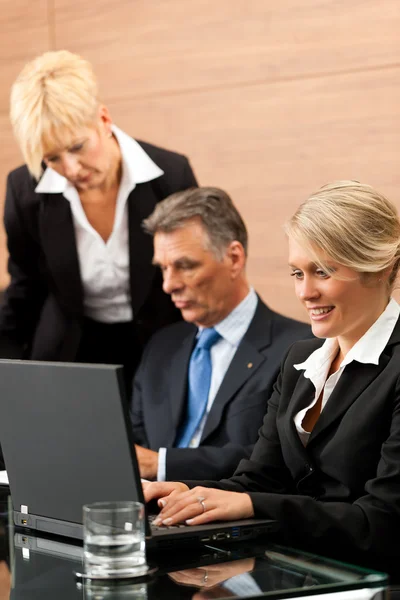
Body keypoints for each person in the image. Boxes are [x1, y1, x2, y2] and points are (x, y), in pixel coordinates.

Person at [144, 180, 400, 563]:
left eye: (323, 272)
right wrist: (180, 489)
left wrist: (250, 504)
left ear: (378, 269)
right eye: (297, 274)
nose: (305, 293)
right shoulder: (300, 360)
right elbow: (259, 480)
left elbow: (382, 524)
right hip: (296, 571)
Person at [0, 50, 197, 386]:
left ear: (104, 120)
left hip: (161, 339)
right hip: (70, 344)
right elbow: (25, 290)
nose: (71, 170)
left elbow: (197, 277)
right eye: (53, 158)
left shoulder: (171, 175)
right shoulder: (24, 191)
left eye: (77, 146)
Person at [131, 187, 311, 481]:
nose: (168, 285)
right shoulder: (161, 346)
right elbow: (134, 448)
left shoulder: (301, 349)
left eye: (184, 266)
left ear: (234, 258)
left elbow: (279, 458)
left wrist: (162, 465)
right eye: (163, 269)